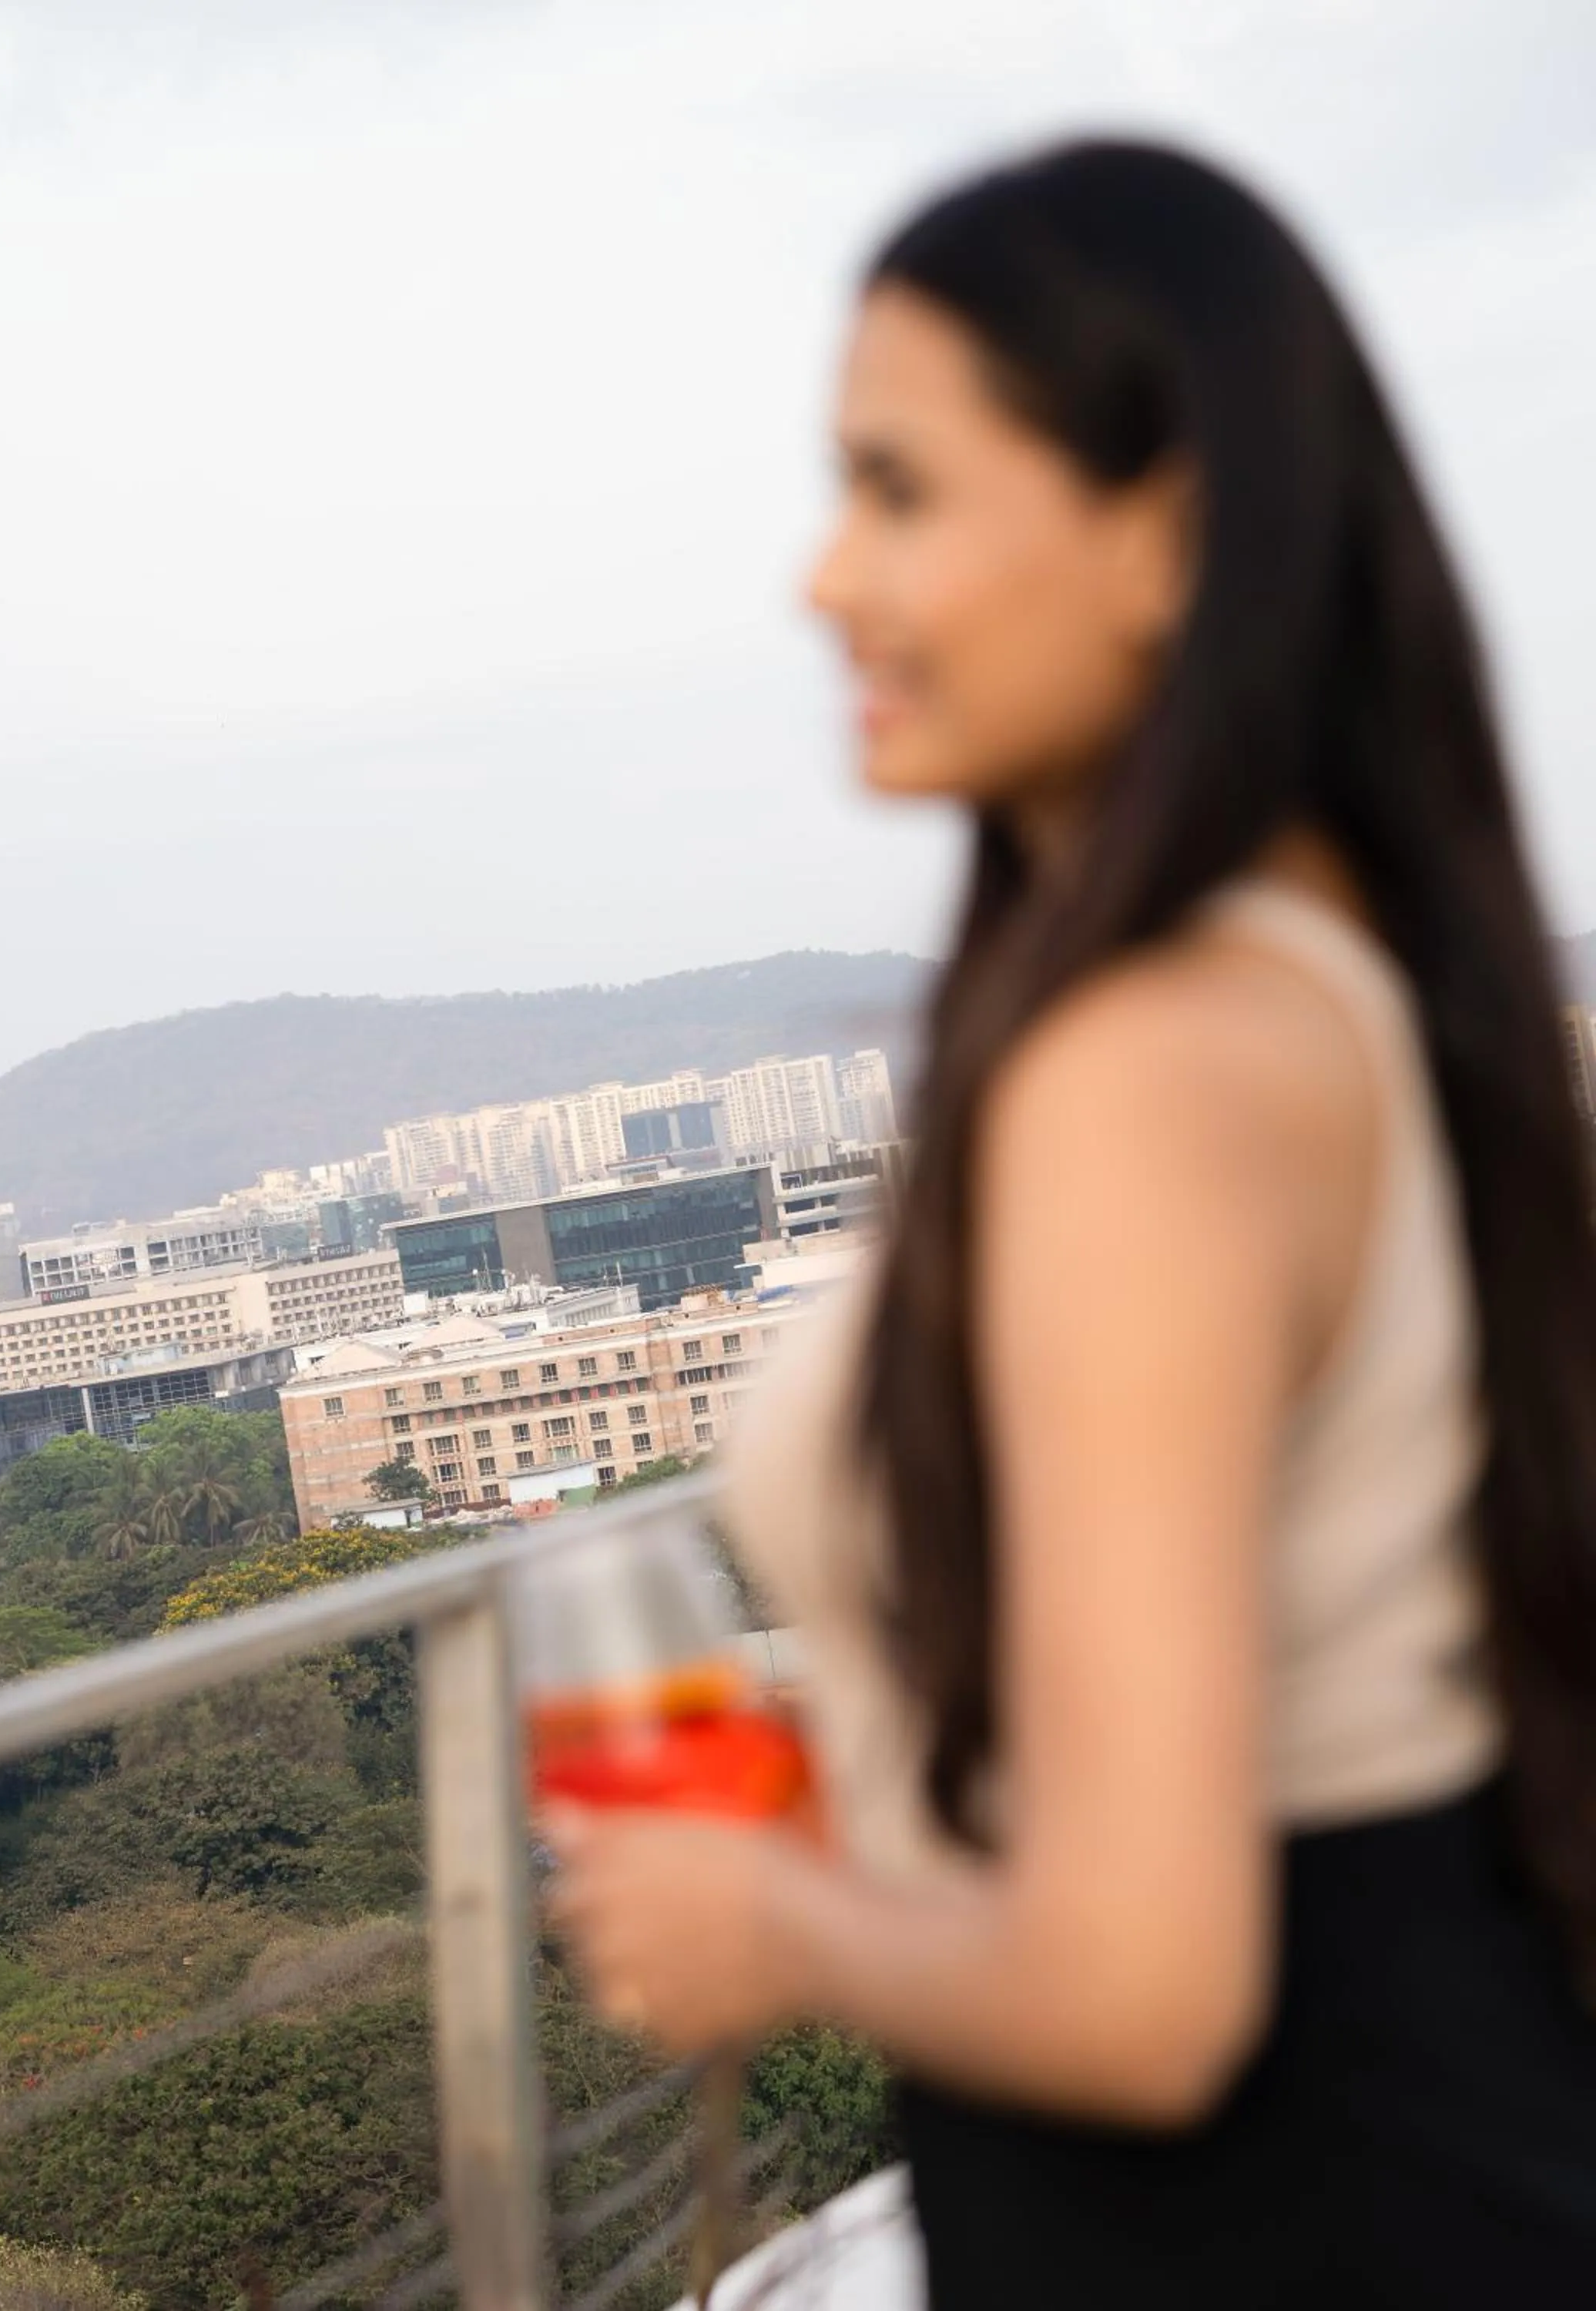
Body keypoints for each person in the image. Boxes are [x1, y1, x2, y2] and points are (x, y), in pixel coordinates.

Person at [544, 139, 1596, 2305]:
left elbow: (1143, 1995)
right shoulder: (1340, 984)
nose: (825, 580)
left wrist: (768, 1918)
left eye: (899, 490)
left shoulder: (1141, 1076)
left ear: (1168, 535)